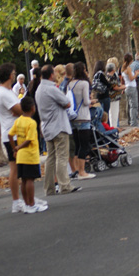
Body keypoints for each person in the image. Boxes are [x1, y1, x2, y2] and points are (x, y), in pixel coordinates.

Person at [35, 64, 82, 194]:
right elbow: (67, 103)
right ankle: (64, 185)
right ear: (51, 75)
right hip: (59, 126)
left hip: (47, 126)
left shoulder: (39, 89)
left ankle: (49, 187)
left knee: (50, 158)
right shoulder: (52, 89)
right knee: (62, 156)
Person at [8, 96, 49, 213]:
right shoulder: (32, 122)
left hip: (20, 156)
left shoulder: (18, 120)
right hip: (30, 155)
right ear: (32, 108)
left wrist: (14, 149)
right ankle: (31, 204)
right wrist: (18, 147)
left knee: (24, 180)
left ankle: (26, 204)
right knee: (30, 180)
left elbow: (10, 135)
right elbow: (29, 140)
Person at [0, 63, 25, 213]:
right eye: (13, 73)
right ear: (10, 75)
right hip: (12, 133)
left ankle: (21, 200)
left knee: (17, 167)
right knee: (16, 168)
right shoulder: (4, 93)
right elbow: (19, 110)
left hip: (11, 132)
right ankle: (18, 201)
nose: (14, 75)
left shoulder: (5, 91)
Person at [68, 62, 96, 180]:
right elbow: (86, 101)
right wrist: (92, 101)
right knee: (84, 145)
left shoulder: (70, 84)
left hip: (73, 117)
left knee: (77, 144)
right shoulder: (84, 83)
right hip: (83, 116)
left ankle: (75, 170)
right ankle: (82, 171)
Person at [122, 54, 139, 127]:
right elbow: (131, 78)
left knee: (131, 105)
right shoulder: (128, 68)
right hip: (131, 87)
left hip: (128, 87)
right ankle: (134, 122)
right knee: (134, 105)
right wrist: (136, 74)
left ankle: (133, 120)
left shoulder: (123, 68)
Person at [106, 59, 124, 129]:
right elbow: (115, 87)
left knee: (111, 114)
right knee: (114, 114)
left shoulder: (107, 75)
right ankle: (114, 129)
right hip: (114, 97)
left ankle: (113, 127)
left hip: (110, 97)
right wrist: (123, 87)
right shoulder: (112, 77)